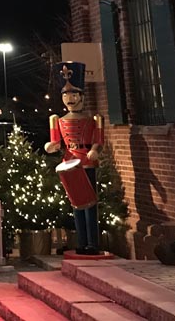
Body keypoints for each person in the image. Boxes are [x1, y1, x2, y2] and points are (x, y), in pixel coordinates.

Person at [44, 61, 103, 255]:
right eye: (66, 95)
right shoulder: (57, 120)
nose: (70, 98)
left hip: (86, 163)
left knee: (90, 203)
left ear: (81, 96)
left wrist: (94, 150)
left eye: (74, 94)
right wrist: (51, 146)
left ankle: (92, 243)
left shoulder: (93, 119)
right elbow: (55, 142)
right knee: (76, 204)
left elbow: (98, 140)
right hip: (69, 162)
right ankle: (82, 241)